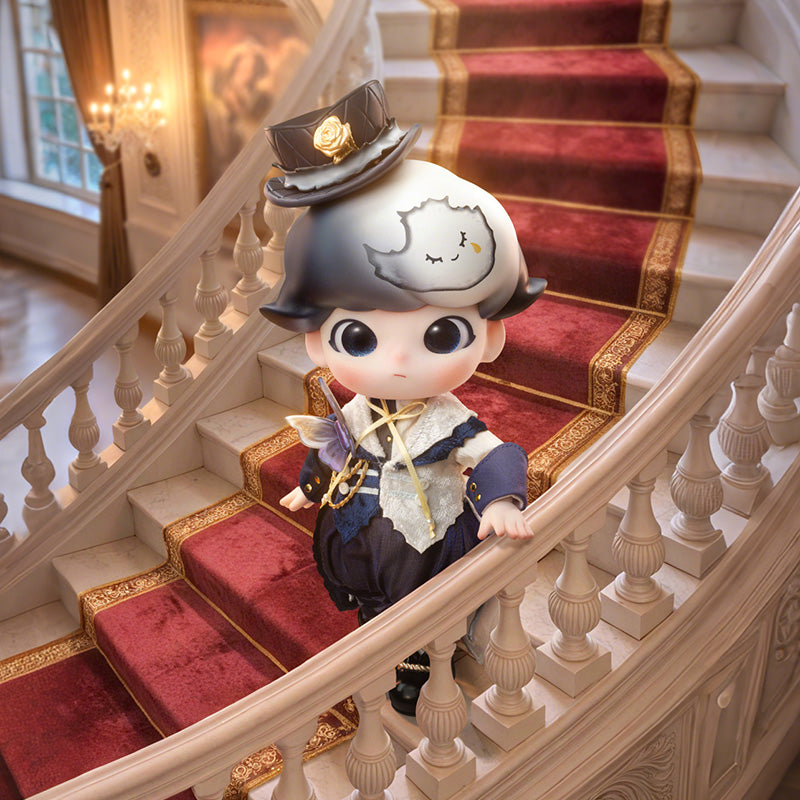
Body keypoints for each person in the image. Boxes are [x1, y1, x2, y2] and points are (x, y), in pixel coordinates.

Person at [260, 81, 546, 713]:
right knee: (371, 591)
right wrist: (310, 486)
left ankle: (415, 668)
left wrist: (502, 498)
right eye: (358, 337)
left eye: (440, 334)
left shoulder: (448, 419)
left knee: (420, 600)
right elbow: (335, 447)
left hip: (427, 530)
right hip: (362, 524)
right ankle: (376, 634)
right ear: (317, 342)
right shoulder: (357, 411)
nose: (396, 361)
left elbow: (495, 452)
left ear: (490, 337)